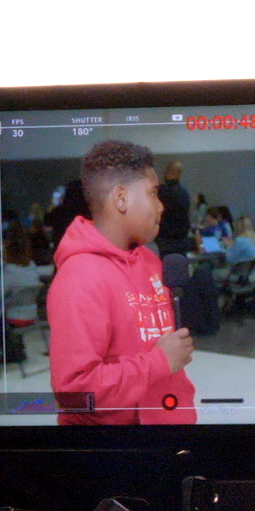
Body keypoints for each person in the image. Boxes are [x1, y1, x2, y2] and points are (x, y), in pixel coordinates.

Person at [46, 139, 196, 425]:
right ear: (121, 198)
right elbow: (75, 393)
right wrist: (160, 362)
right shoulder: (79, 278)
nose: (161, 207)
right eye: (153, 194)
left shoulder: (150, 260)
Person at [155, 160, 193, 256]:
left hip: (165, 240)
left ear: (167, 171)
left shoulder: (162, 191)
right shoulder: (184, 193)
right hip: (182, 240)